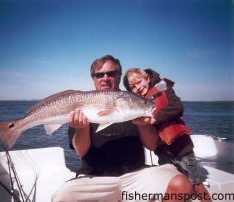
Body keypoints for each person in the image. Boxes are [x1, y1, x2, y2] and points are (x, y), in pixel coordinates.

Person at [51, 55, 192, 202]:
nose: (105, 78)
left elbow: (151, 145)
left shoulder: (133, 101)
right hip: (95, 178)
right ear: (93, 78)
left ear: (119, 76)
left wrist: (144, 125)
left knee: (180, 185)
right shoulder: (81, 104)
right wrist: (81, 128)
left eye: (111, 73)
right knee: (62, 198)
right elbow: (81, 151)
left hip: (136, 175)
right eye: (99, 75)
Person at [123, 68, 211, 202]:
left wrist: (155, 118)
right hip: (162, 151)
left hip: (182, 148)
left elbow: (178, 107)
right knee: (172, 184)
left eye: (139, 82)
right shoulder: (137, 104)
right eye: (133, 87)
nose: (138, 88)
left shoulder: (164, 88)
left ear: (147, 78)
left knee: (196, 184)